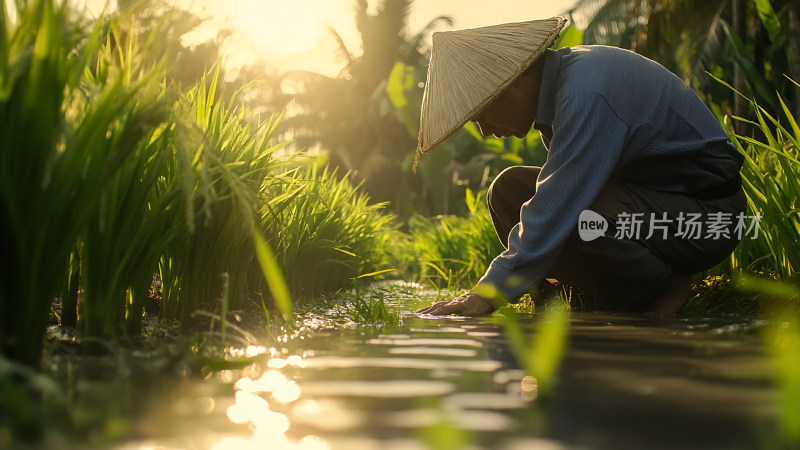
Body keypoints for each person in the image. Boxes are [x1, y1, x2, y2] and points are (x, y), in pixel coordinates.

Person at [413, 17, 746, 317]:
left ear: (512, 82)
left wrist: (488, 293)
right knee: (509, 190)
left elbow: (559, 204)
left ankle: (664, 284)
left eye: (482, 114)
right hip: (652, 205)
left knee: (564, 212)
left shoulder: (583, 93)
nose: (485, 130)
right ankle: (559, 299)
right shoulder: (565, 87)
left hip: (706, 216)